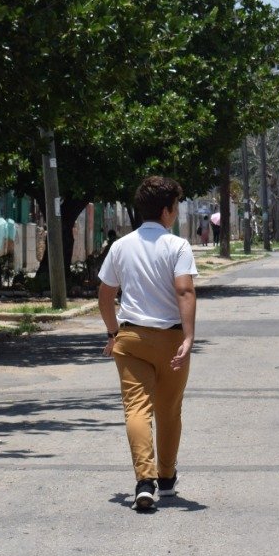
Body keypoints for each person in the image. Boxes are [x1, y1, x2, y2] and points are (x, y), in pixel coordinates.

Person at [98, 176, 198, 511]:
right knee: (169, 410)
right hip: (170, 339)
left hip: (131, 339)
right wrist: (188, 336)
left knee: (136, 408)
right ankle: (166, 478)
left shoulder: (120, 246)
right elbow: (185, 290)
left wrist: (113, 334)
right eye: (175, 207)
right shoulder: (177, 246)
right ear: (168, 210)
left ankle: (145, 480)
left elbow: (106, 294)